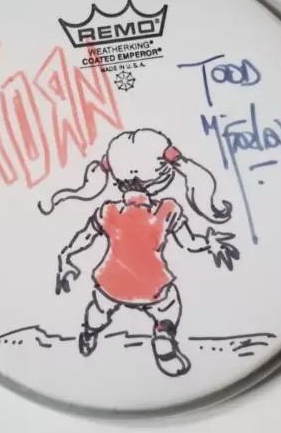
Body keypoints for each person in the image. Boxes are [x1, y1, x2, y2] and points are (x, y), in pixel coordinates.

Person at [38, 128, 239, 377]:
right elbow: (191, 243)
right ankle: (163, 338)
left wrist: (67, 256)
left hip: (111, 282)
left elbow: (85, 238)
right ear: (162, 177)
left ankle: (90, 332)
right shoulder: (168, 211)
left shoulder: (108, 211)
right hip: (152, 285)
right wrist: (211, 243)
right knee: (169, 307)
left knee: (99, 308)